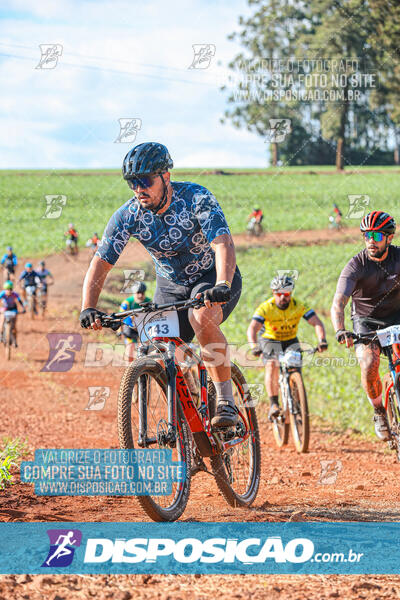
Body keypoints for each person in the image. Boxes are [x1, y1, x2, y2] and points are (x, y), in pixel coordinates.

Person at [80, 141, 242, 429]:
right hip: (170, 286)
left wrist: (221, 283)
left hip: (211, 276)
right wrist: (88, 307)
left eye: (145, 180)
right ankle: (188, 414)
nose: (138, 189)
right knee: (157, 347)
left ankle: (226, 401)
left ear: (165, 176)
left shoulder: (196, 198)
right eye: (132, 182)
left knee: (201, 316)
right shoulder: (128, 215)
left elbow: (222, 243)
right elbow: (101, 263)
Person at [331, 210, 399, 441]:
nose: (371, 241)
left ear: (389, 238)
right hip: (366, 323)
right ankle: (379, 410)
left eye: (377, 236)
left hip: (397, 318)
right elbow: (338, 303)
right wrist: (340, 329)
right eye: (367, 235)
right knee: (370, 364)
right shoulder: (356, 266)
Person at [247, 274, 328, 419]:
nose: (282, 297)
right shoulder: (266, 308)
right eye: (279, 293)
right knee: (272, 364)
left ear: (291, 293)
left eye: (286, 294)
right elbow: (252, 329)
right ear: (274, 293)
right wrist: (254, 346)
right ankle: (274, 404)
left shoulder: (298, 306)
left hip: (290, 340)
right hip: (270, 340)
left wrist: (322, 340)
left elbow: (317, 322)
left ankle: (297, 401)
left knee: (295, 367)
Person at [118, 281, 152, 360]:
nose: (140, 295)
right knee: (130, 348)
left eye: (142, 293)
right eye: (138, 293)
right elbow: (120, 318)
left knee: (144, 349)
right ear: (134, 293)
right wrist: (119, 330)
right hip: (130, 327)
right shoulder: (127, 302)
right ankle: (128, 369)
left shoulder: (149, 301)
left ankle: (142, 368)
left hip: (143, 327)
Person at [0, 280, 25, 345]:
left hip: (13, 309)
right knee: (2, 321)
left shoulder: (15, 294)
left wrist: (23, 308)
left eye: (10, 289)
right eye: (7, 289)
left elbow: (20, 301)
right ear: (5, 289)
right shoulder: (2, 294)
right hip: (5, 308)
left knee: (14, 326)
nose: (9, 291)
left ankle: (15, 340)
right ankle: (1, 334)